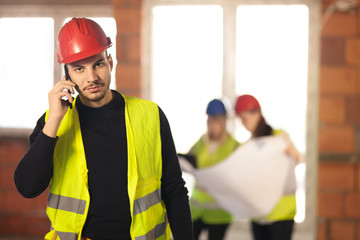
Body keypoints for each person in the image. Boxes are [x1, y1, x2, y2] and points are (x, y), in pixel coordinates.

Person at [14, 17, 193, 240]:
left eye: (98, 64)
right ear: (67, 75)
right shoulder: (53, 121)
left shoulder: (150, 115)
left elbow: (174, 188)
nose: (92, 77)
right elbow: (27, 187)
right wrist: (54, 123)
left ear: (110, 62)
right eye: (79, 68)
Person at [234, 94, 301, 240]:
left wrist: (292, 152)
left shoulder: (279, 137)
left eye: (245, 119)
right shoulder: (247, 147)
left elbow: (298, 159)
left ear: (257, 113)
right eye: (241, 120)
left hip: (281, 213)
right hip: (258, 214)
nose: (244, 124)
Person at [186, 99, 240, 240]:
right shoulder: (201, 143)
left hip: (219, 213)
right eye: (210, 121)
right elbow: (189, 160)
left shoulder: (234, 147)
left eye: (216, 121)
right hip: (197, 210)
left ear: (224, 122)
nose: (213, 126)